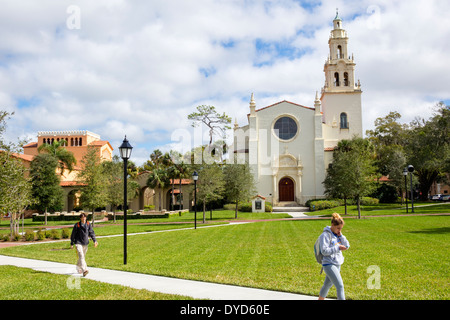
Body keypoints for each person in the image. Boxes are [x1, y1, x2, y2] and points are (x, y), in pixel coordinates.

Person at [318, 212, 350, 300]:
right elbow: (324, 251)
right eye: (338, 228)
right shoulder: (325, 235)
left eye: (341, 228)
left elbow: (347, 246)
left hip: (337, 263)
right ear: (332, 224)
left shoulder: (338, 235)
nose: (339, 230)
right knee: (340, 286)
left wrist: (341, 236)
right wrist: (338, 247)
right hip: (328, 264)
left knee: (327, 285)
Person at [70, 213, 98, 277]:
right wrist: (72, 243)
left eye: (85, 217)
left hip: (85, 243)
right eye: (82, 217)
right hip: (78, 242)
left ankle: (78, 267)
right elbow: (73, 235)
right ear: (80, 218)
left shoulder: (88, 224)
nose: (84, 218)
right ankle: (85, 270)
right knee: (81, 256)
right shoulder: (77, 225)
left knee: (82, 257)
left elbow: (91, 233)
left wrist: (95, 241)